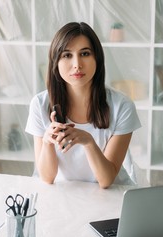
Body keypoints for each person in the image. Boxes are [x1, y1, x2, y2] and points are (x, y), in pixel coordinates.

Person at [25, 22, 141, 188]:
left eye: (85, 53)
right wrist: (47, 142)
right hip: (65, 195)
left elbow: (106, 180)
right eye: (67, 55)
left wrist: (88, 142)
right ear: (55, 62)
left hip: (110, 198)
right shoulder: (40, 104)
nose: (77, 64)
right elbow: (47, 177)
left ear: (97, 59)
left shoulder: (122, 106)